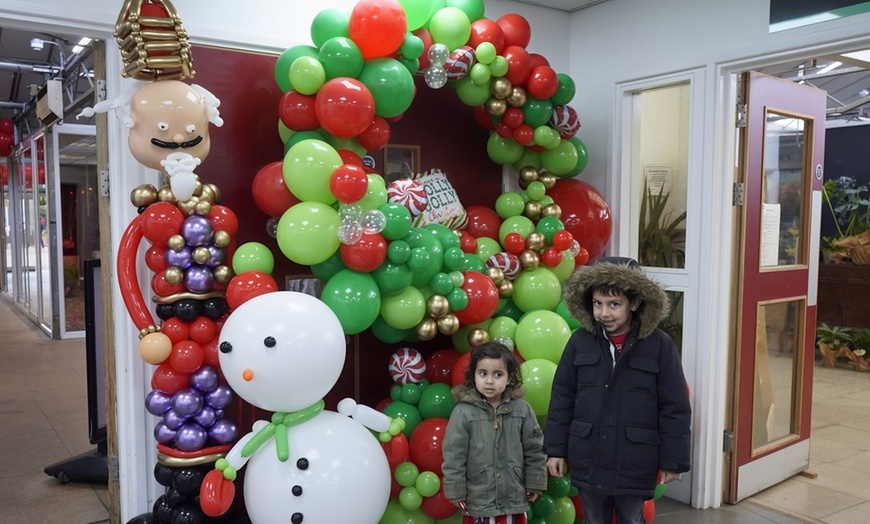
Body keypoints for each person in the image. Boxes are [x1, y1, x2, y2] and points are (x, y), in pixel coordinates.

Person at [544, 257, 691, 524]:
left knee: (632, 519)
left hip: (634, 458)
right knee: (594, 519)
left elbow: (674, 406)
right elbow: (562, 398)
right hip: (589, 455)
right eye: (597, 304)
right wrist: (555, 449)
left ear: (634, 303)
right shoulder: (579, 342)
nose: (604, 313)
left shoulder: (659, 346)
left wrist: (673, 460)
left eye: (614, 304)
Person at [442, 341, 548, 524]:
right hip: (478, 500)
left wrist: (535, 482)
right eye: (483, 374)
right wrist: (456, 491)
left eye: (498, 374)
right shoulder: (463, 412)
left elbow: (535, 449)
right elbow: (454, 455)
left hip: (513, 497)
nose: (489, 381)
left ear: (509, 378)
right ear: (474, 375)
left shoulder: (522, 410)